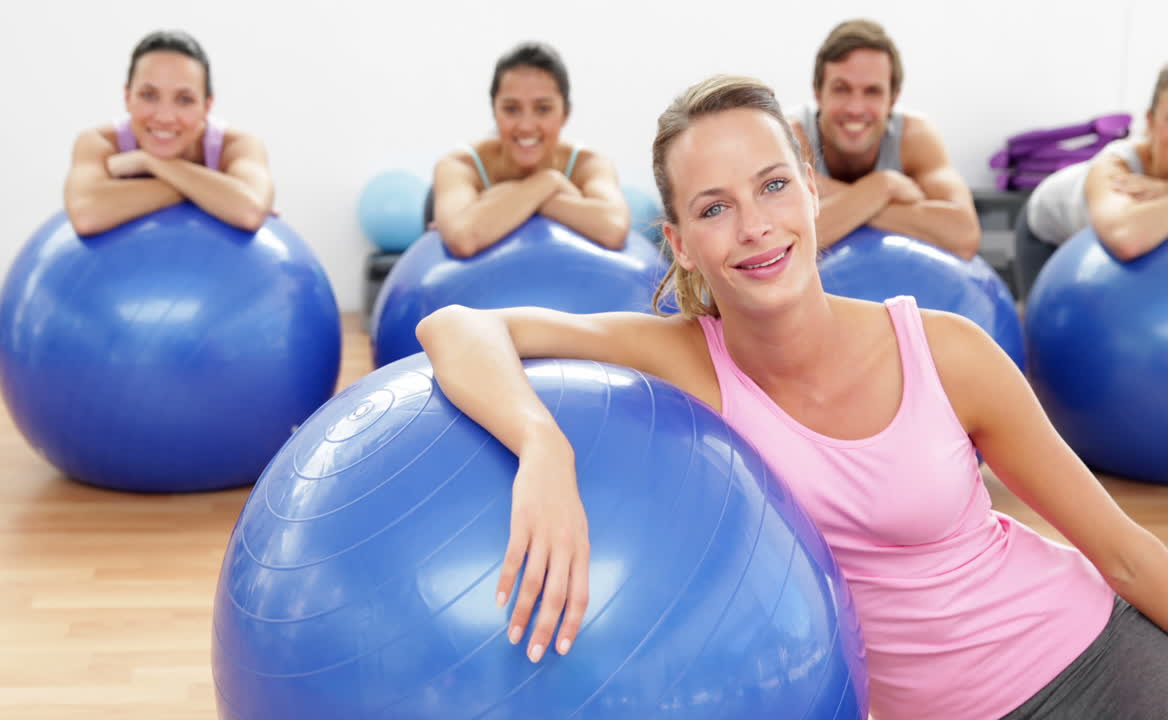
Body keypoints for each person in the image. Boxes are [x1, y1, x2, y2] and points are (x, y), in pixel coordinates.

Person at [416, 75, 1168, 720]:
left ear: (810, 192)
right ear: (680, 244)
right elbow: (457, 325)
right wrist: (539, 446)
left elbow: (1127, 556)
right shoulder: (686, 361)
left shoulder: (945, 352)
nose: (755, 227)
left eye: (773, 185)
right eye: (714, 208)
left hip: (1099, 663)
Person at [790, 20, 980, 259]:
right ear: (818, 94)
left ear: (893, 99)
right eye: (841, 88)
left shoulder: (914, 136)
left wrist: (841, 202)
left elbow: (964, 235)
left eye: (872, 91)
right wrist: (883, 187)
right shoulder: (790, 137)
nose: (855, 108)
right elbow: (791, 243)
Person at [64, 30, 274, 235]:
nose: (165, 117)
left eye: (184, 100)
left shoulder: (238, 146)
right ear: (127, 97)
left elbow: (249, 211)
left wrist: (150, 162)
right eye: (149, 95)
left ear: (207, 106)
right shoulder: (100, 143)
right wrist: (214, 195)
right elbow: (86, 215)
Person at [431, 42, 629, 257]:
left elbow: (614, 228)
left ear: (565, 113)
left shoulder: (590, 164)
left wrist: (505, 197)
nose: (526, 126)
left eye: (543, 109)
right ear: (494, 112)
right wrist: (552, 184)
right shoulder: (459, 165)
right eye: (511, 109)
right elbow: (463, 238)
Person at [1016, 65, 1168, 296]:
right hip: (1046, 229)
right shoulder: (1115, 165)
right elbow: (1127, 238)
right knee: (1039, 320)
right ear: (1150, 122)